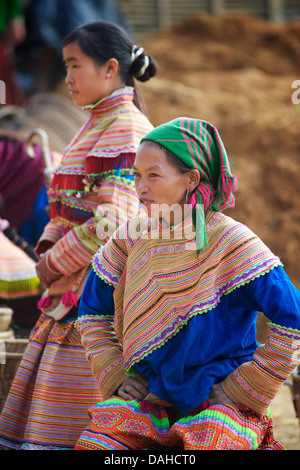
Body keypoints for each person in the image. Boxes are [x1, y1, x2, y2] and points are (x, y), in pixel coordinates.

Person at [75, 117, 300, 450]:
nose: (140, 189)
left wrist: (244, 386)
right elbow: (91, 312)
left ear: (191, 179)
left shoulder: (232, 242)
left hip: (218, 401)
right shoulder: (130, 238)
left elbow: (293, 318)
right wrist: (115, 372)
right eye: (136, 176)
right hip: (150, 398)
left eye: (153, 175)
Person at [0, 21, 156, 450]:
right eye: (66, 66)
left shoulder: (125, 127)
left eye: (74, 65)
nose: (66, 77)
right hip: (71, 286)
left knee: (81, 421)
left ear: (110, 69)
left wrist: (54, 261)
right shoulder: (96, 124)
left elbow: (113, 220)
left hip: (99, 292)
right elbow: (64, 205)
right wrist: (48, 249)